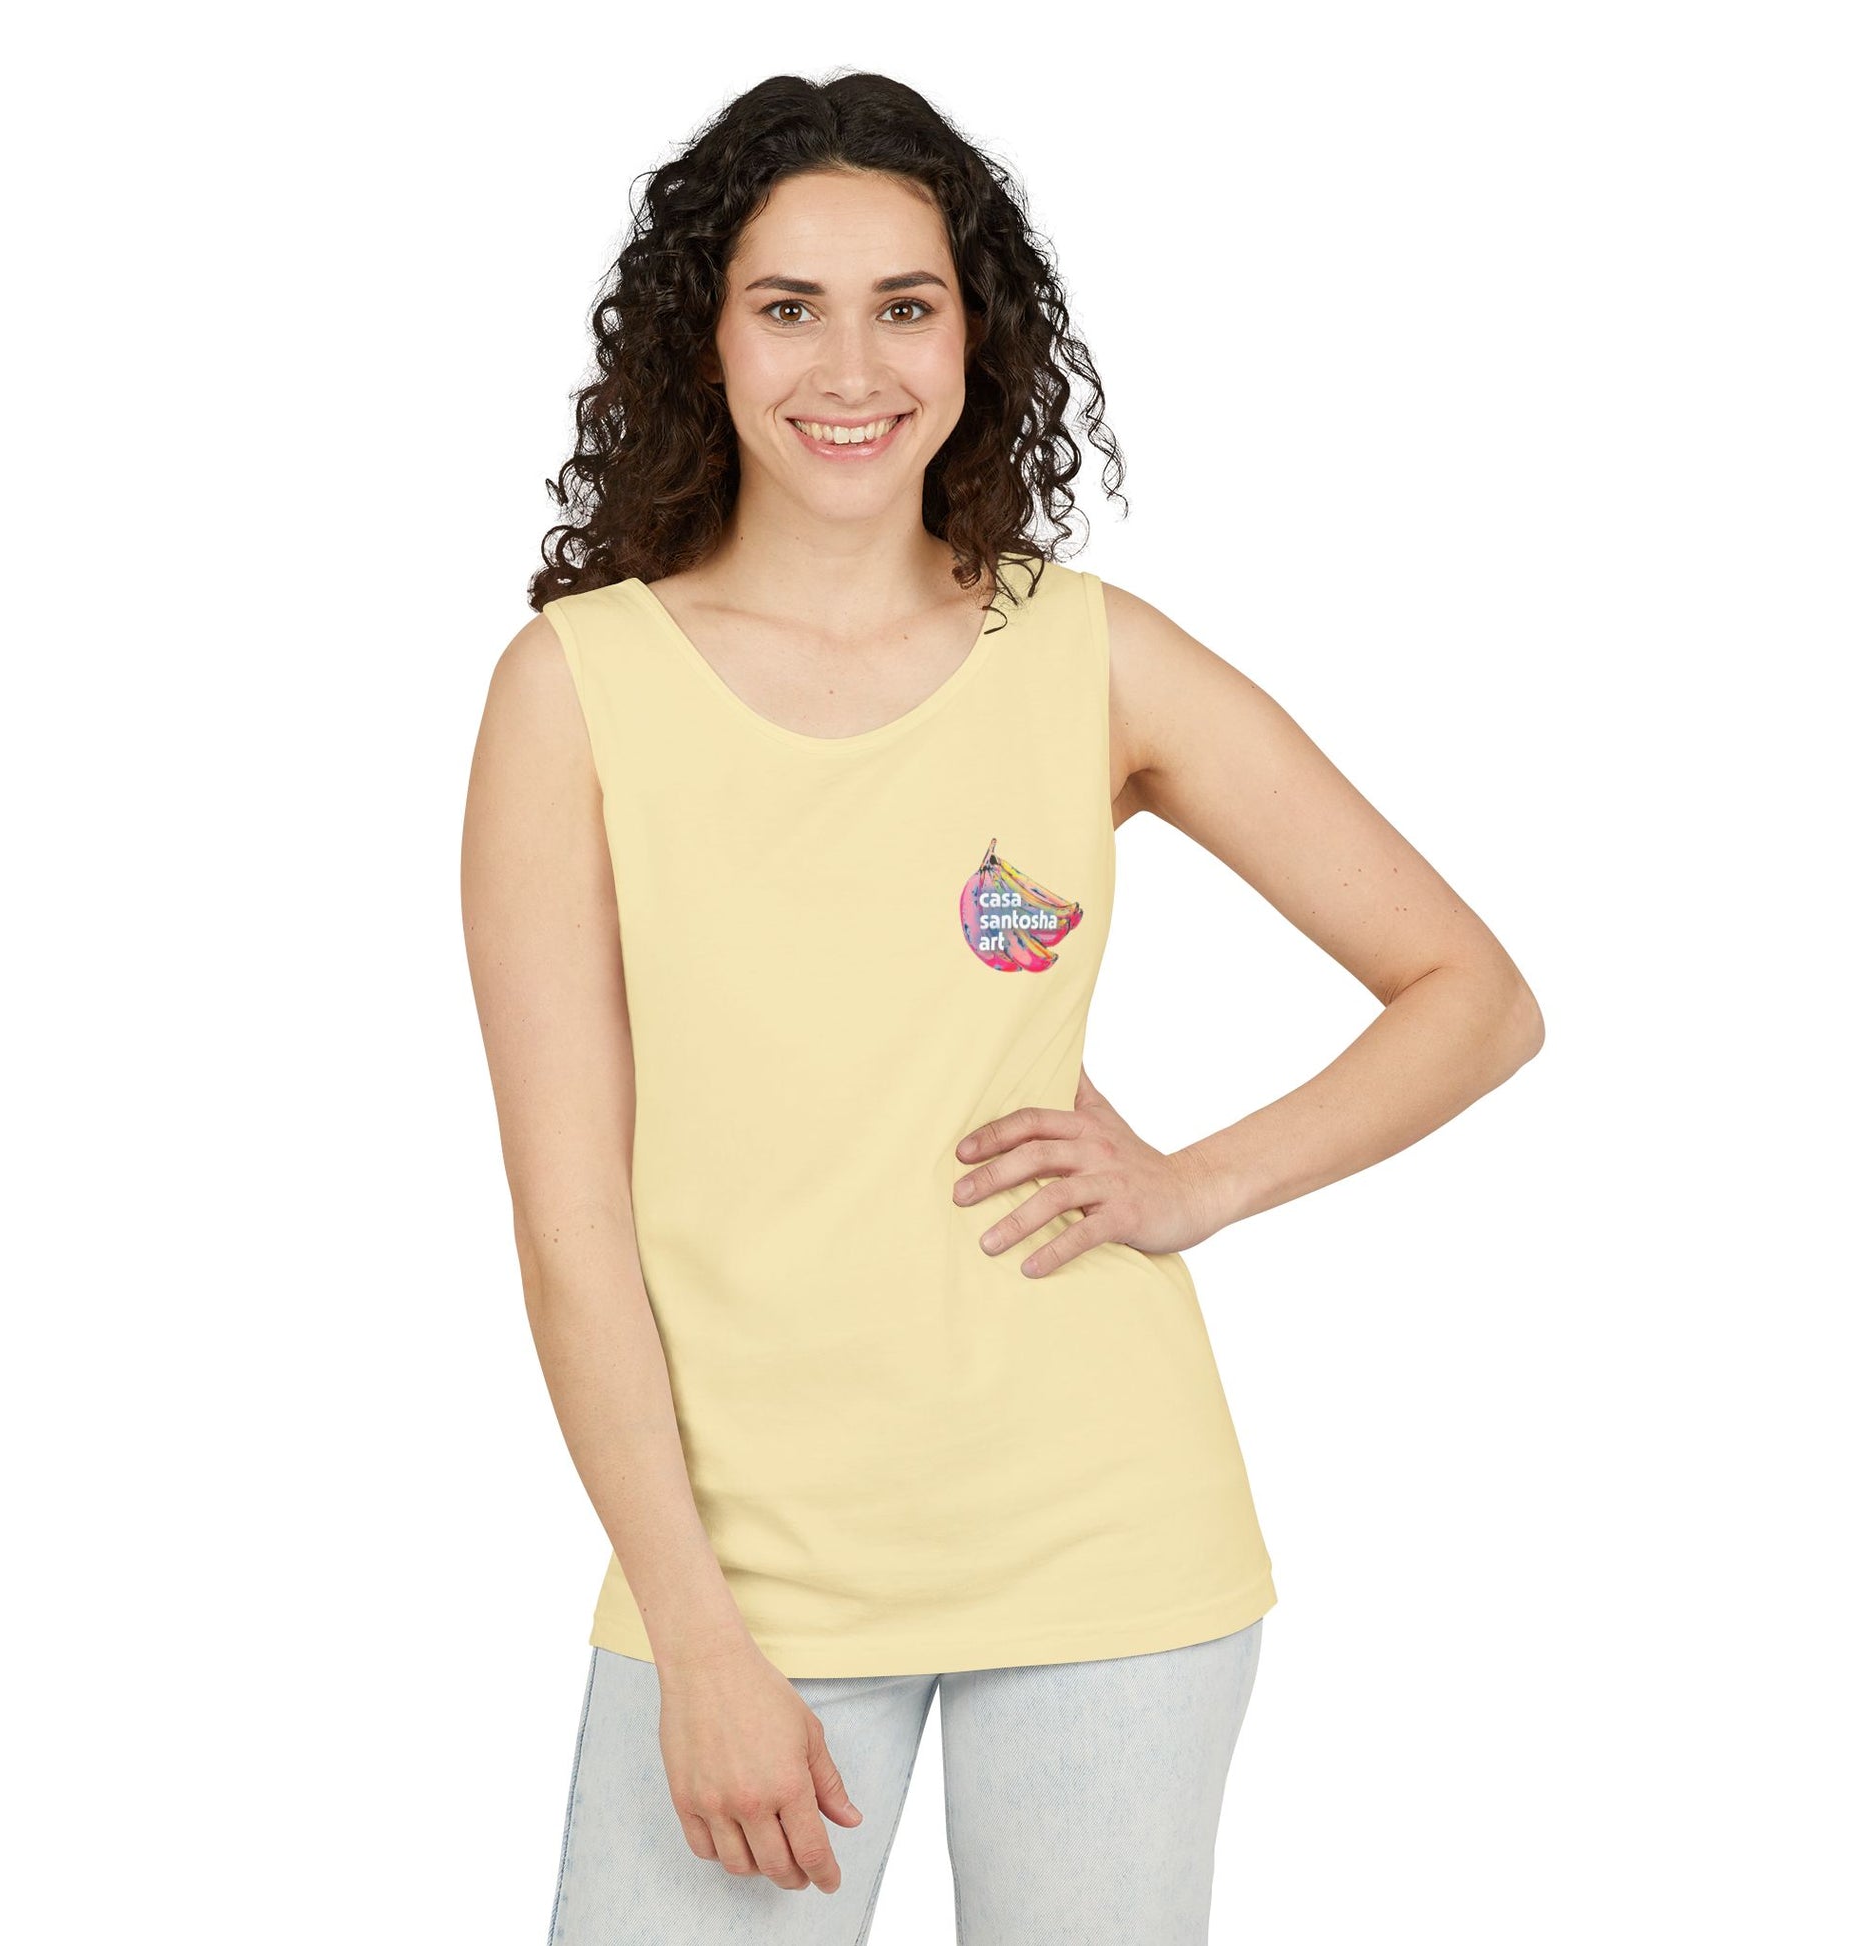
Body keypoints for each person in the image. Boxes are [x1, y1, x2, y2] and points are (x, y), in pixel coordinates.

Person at [461, 71, 1543, 1946]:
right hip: (742, 1574)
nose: (849, 366)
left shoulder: (1088, 654)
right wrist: (695, 1633)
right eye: (787, 306)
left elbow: (1471, 994)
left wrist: (1191, 1185)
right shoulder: (575, 689)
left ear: (975, 335)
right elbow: (570, 1231)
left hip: (1106, 1537)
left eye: (905, 304)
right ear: (704, 337)